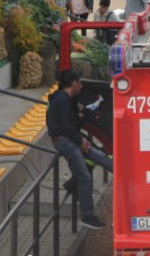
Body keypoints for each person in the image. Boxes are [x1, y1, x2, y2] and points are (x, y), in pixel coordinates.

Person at [46, 69, 114, 229]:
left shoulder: (67, 99)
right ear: (74, 83)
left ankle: (74, 183)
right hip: (65, 141)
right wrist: (80, 140)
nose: (82, 86)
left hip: (72, 139)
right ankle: (88, 215)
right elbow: (65, 126)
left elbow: (71, 123)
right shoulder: (61, 100)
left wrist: (79, 114)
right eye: (80, 83)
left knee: (103, 159)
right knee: (84, 176)